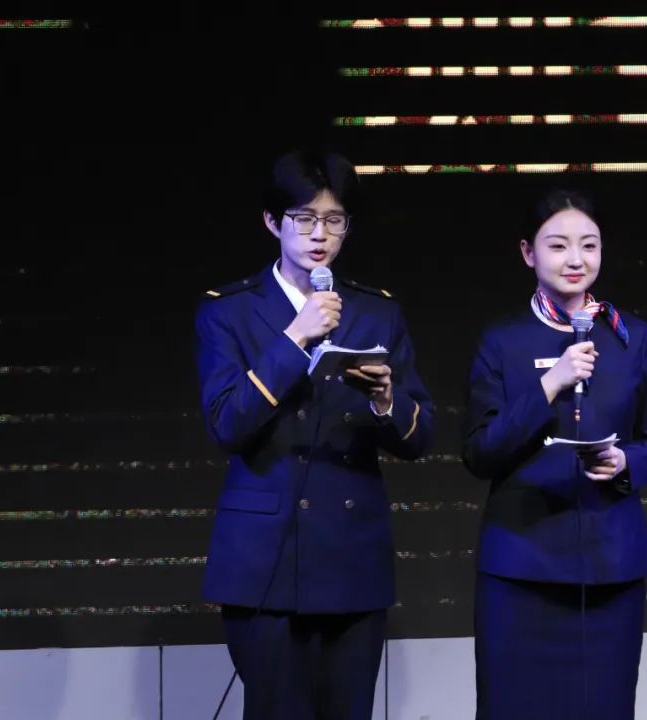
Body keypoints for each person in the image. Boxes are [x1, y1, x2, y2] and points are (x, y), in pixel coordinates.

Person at [195, 148, 433, 720]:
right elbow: (227, 423)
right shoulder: (227, 312)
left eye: (334, 220)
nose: (319, 234)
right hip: (265, 560)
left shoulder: (377, 313)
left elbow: (420, 436)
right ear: (272, 222)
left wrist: (385, 399)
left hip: (352, 554)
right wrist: (295, 338)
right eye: (304, 219)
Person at [462, 188, 647, 719]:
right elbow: (480, 452)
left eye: (589, 245)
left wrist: (626, 463)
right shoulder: (502, 340)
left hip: (611, 567)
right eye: (558, 245)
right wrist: (550, 384)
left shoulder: (631, 338)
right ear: (528, 253)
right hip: (520, 566)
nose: (576, 259)